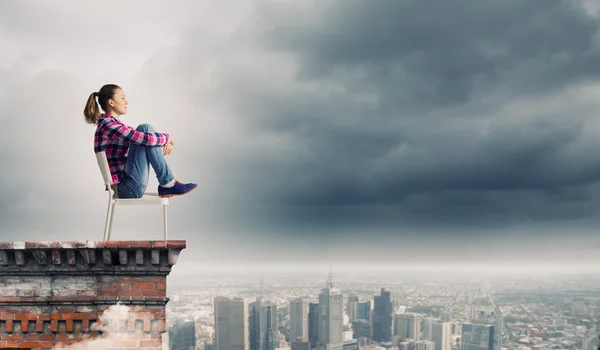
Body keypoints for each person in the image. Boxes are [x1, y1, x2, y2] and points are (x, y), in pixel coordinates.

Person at [83, 84, 197, 199]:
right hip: (127, 189)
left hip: (129, 185)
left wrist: (165, 142)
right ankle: (168, 183)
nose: (126, 102)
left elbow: (144, 138)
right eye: (122, 98)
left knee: (145, 131)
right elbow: (144, 138)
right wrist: (169, 138)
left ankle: (167, 183)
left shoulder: (114, 125)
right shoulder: (108, 125)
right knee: (145, 129)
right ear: (111, 102)